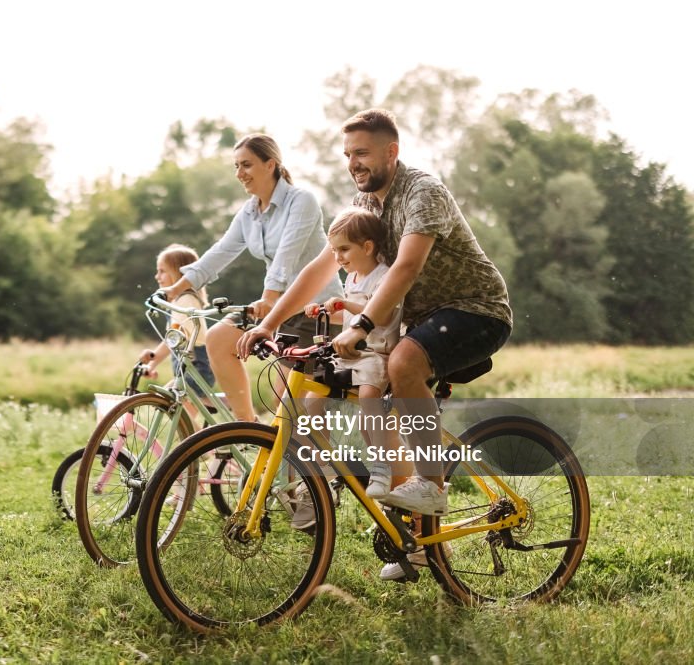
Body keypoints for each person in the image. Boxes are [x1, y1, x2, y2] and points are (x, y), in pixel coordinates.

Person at [238, 108, 512, 579]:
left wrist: (361, 325)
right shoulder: (364, 205)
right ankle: (415, 545)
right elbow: (322, 268)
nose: (354, 163)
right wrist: (271, 322)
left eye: (362, 153)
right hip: (417, 319)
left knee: (404, 363)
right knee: (362, 400)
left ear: (392, 151)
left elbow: (406, 267)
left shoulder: (423, 192)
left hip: (475, 310)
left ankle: (432, 484)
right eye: (348, 155)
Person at [161, 134, 343, 422]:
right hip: (278, 307)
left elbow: (286, 256)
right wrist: (176, 288)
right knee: (220, 338)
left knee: (287, 406)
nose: (239, 174)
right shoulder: (249, 213)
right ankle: (247, 429)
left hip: (315, 311)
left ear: (270, 164)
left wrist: (269, 298)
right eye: (236, 166)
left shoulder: (301, 201)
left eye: (246, 165)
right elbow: (220, 251)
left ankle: (310, 462)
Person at [302, 209, 408, 499]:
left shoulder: (383, 276)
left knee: (367, 405)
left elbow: (382, 316)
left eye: (344, 249)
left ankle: (381, 467)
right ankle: (323, 464)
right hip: (350, 353)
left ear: (368, 246)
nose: (338, 258)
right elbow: (350, 321)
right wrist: (326, 309)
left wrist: (345, 305)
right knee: (311, 399)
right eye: (335, 251)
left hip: (376, 354)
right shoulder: (352, 279)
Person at [137, 244, 215, 415]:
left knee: (174, 410)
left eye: (162, 271)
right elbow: (171, 340)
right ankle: (201, 438)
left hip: (196, 369)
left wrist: (153, 362)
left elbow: (175, 338)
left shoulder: (186, 300)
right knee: (177, 413)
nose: (157, 276)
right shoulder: (178, 302)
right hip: (190, 369)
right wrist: (152, 362)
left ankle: (199, 441)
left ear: (179, 274)